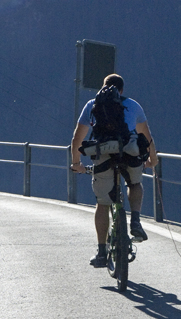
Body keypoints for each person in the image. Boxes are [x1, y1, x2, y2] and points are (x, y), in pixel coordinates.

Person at [70, 73, 158, 267]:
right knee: (135, 183)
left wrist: (76, 163)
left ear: (103, 87)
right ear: (122, 89)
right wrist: (153, 159)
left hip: (104, 151)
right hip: (130, 151)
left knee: (102, 203)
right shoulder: (134, 105)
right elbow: (147, 135)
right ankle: (135, 220)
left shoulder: (92, 104)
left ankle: (102, 252)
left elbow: (77, 138)